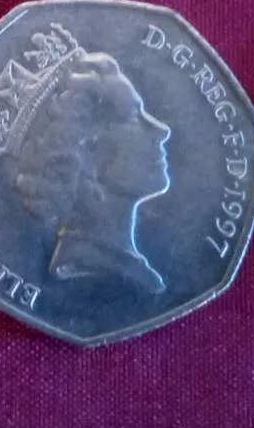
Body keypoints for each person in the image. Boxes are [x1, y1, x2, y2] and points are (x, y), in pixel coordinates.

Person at [10, 50, 172, 292]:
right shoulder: (100, 267)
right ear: (90, 157)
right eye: (133, 117)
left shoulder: (126, 264)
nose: (161, 130)